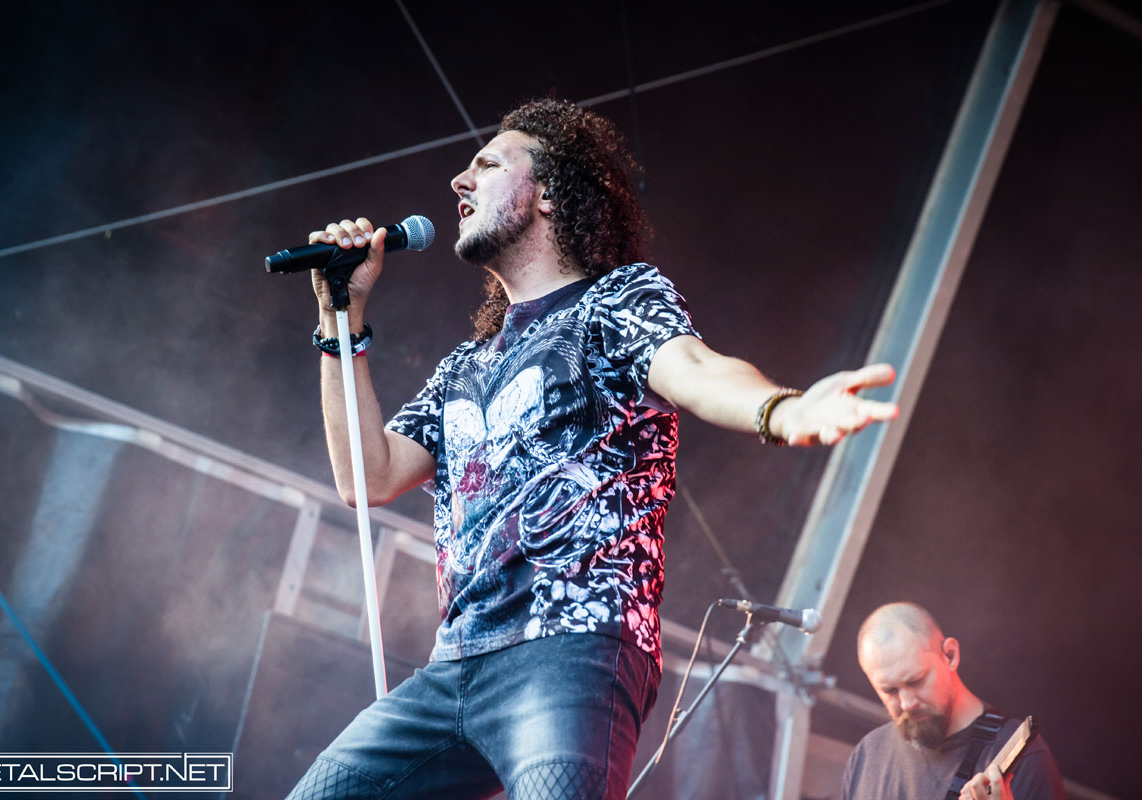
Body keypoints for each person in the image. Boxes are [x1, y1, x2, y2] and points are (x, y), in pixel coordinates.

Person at [287, 97, 899, 800]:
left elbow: (693, 368)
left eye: (488, 164)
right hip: (453, 665)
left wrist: (782, 409)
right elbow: (367, 478)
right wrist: (339, 318)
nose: (460, 180)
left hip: (570, 648)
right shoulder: (464, 368)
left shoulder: (614, 302)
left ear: (548, 193)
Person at [841, 602, 1065, 800]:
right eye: (890, 691)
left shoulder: (1021, 756)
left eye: (916, 681)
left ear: (950, 655)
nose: (907, 703)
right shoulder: (866, 755)